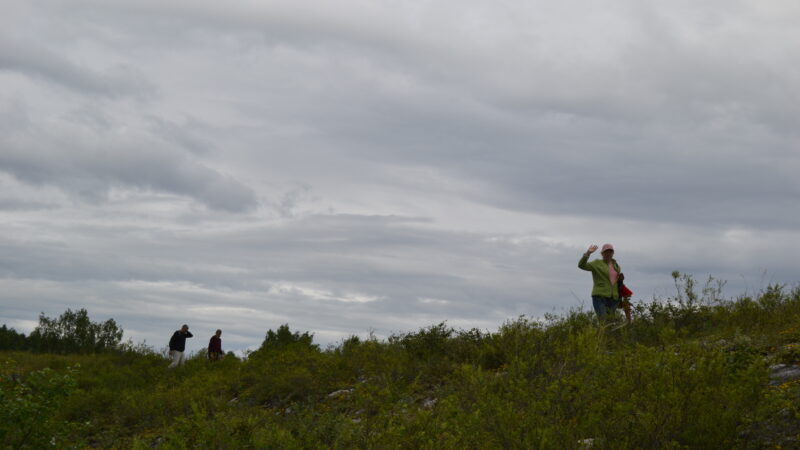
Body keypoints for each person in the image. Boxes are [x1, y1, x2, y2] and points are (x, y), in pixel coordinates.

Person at [578, 243, 623, 319]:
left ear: (613, 253)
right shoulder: (596, 263)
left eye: (610, 252)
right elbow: (581, 265)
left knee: (610, 321)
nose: (608, 253)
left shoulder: (616, 266)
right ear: (602, 254)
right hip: (600, 297)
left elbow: (616, 282)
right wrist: (588, 253)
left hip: (614, 298)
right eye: (606, 252)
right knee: (603, 320)